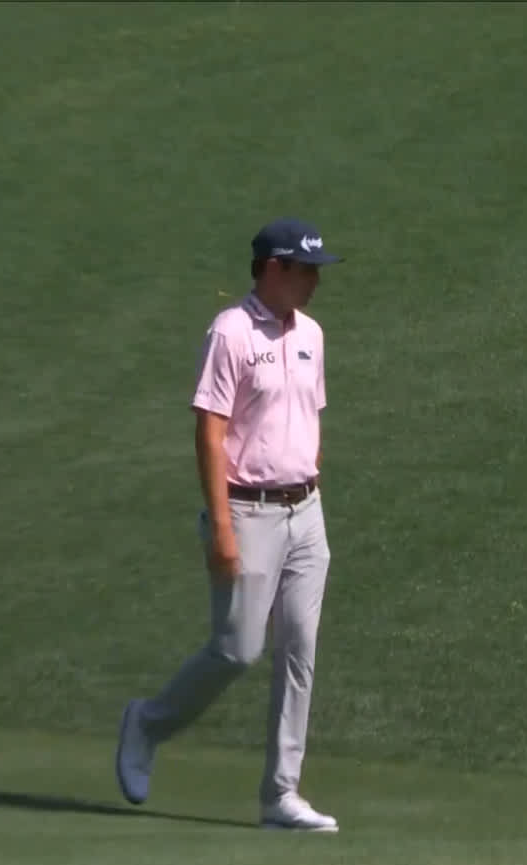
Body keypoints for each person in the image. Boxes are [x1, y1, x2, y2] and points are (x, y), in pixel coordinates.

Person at [116, 217, 342, 831]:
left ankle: (280, 795)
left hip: (306, 512)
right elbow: (210, 431)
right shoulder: (231, 332)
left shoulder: (312, 335)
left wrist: (306, 476)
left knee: (300, 652)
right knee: (238, 650)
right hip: (246, 511)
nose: (315, 283)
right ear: (274, 268)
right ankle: (147, 723)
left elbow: (311, 415)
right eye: (306, 270)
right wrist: (221, 525)